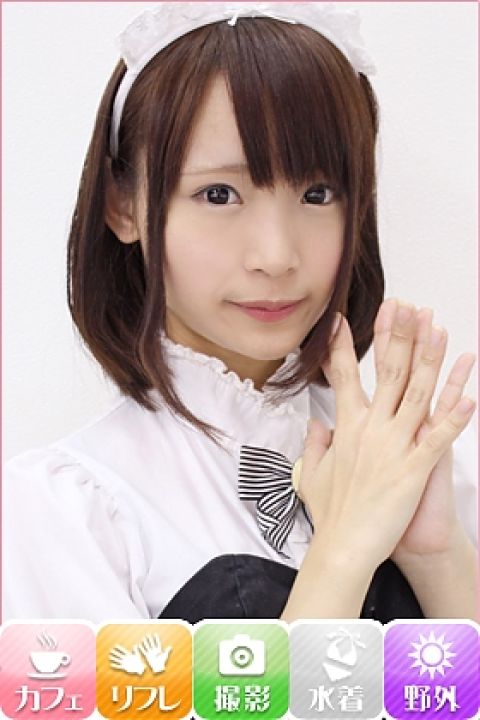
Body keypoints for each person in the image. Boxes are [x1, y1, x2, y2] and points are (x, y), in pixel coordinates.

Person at [3, 2, 477, 623]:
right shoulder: (70, 511)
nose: (276, 256)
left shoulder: (415, 468)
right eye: (219, 194)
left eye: (317, 194)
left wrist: (435, 556)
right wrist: (343, 554)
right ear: (124, 204)